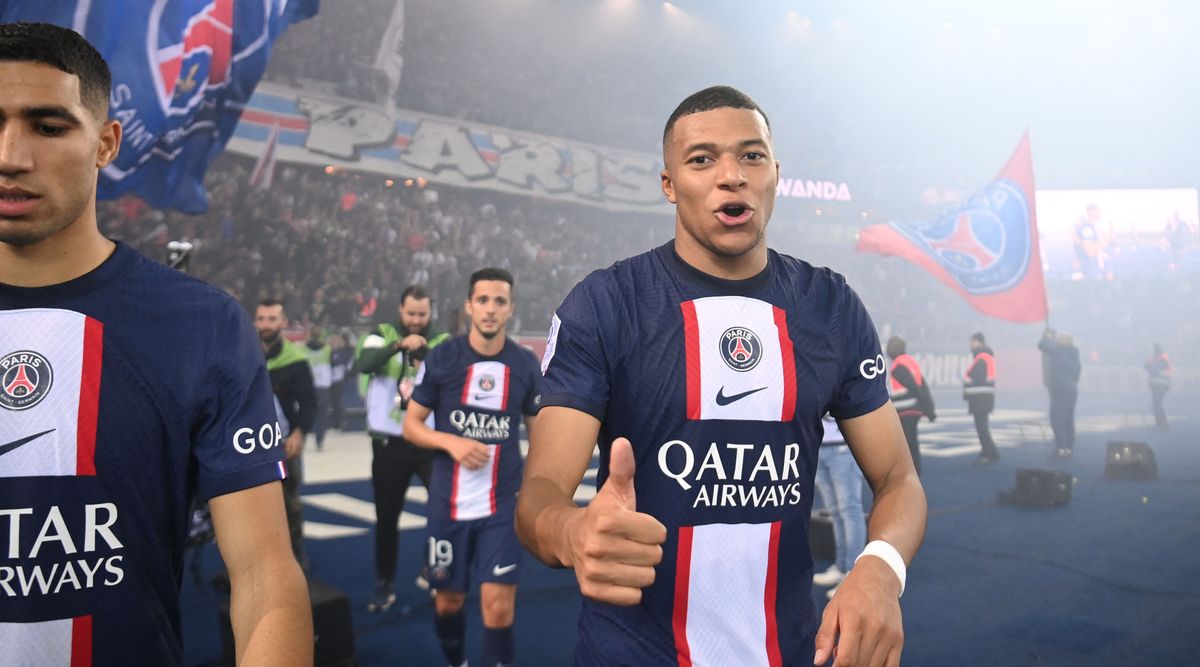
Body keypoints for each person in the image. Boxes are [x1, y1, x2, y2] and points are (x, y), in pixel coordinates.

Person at [516, 86, 927, 666]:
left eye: (751, 156)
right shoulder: (606, 304)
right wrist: (570, 533)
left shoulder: (830, 306)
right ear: (669, 185)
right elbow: (538, 496)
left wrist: (882, 568)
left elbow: (897, 477)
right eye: (702, 158)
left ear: (775, 174)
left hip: (788, 652)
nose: (730, 175)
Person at [0, 22, 311, 664]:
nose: (10, 154)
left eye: (48, 126)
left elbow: (263, 574)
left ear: (106, 143)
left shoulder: (202, 326)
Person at [403, 268, 541, 667]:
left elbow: (540, 436)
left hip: (501, 507)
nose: (491, 309)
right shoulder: (444, 357)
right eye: (483, 300)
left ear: (511, 308)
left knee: (497, 607)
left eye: (500, 301)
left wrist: (537, 485)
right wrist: (452, 442)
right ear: (468, 306)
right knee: (449, 601)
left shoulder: (525, 365)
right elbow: (411, 426)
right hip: (448, 505)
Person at [355, 284, 450, 611]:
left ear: (430, 312)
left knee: (445, 510)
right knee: (387, 517)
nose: (416, 319)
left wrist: (423, 352)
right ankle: (384, 582)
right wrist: (398, 345)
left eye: (422, 314)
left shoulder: (442, 340)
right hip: (389, 445)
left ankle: (436, 570)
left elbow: (453, 370)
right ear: (400, 309)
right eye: (411, 313)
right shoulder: (380, 334)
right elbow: (364, 362)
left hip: (429, 442)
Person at [255, 299, 317, 570]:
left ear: (282, 323)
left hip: (283, 443)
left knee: (290, 503)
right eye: (261, 318)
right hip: (248, 444)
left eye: (271, 319)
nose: (265, 325)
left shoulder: (296, 360)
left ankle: (295, 556)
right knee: (250, 504)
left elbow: (309, 401)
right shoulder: (242, 353)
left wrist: (299, 432)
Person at [811, 416, 867, 601]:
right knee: (835, 512)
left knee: (850, 511)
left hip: (844, 446)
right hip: (818, 445)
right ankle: (842, 566)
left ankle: (854, 573)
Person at [885, 336, 936, 475]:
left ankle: (912, 472)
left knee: (907, 442)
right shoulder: (910, 361)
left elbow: (914, 387)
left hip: (905, 409)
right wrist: (929, 408)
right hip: (913, 408)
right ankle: (914, 470)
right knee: (911, 441)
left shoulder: (897, 366)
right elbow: (922, 386)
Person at [1039, 330, 1081, 458]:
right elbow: (1077, 374)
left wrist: (1046, 336)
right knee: (1068, 418)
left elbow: (1042, 345)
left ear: (1064, 341)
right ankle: (1068, 446)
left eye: (1059, 339)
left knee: (1057, 418)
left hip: (1060, 389)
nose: (1057, 341)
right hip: (1072, 389)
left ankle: (1061, 447)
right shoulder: (1074, 354)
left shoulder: (1059, 351)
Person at [964, 332, 999, 463]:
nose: (971, 344)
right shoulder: (985, 357)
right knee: (983, 426)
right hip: (984, 398)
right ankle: (992, 451)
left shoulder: (981, 358)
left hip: (980, 398)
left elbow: (977, 378)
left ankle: (987, 453)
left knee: (981, 427)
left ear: (980, 342)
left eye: (973, 342)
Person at [305, 326, 333, 451]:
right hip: (323, 386)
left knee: (307, 414)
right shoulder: (327, 349)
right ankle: (319, 440)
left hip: (309, 385)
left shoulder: (303, 349)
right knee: (321, 415)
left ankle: (303, 437)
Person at [1144, 343, 1171, 430]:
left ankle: (1163, 424)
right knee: (1156, 404)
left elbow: (1153, 369)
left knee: (1157, 404)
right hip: (1158, 384)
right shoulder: (1156, 359)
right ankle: (1161, 424)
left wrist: (1151, 366)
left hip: (1162, 384)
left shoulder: (1162, 358)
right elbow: (1146, 366)